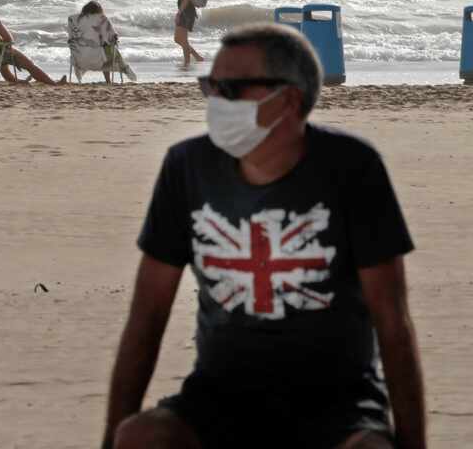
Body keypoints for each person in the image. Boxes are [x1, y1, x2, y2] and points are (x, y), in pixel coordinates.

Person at [103, 24, 426, 449]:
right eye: (209, 86)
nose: (215, 102)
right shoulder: (187, 167)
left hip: (338, 403)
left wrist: (413, 443)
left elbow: (393, 320)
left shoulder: (352, 168)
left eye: (230, 89)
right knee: (141, 439)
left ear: (287, 99)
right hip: (219, 396)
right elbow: (147, 316)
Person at [73, 1, 138, 84]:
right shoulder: (102, 19)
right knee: (108, 49)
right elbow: (112, 35)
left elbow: (74, 38)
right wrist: (115, 38)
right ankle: (124, 69)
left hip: (82, 56)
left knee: (100, 49)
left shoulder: (77, 21)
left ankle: (80, 72)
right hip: (101, 57)